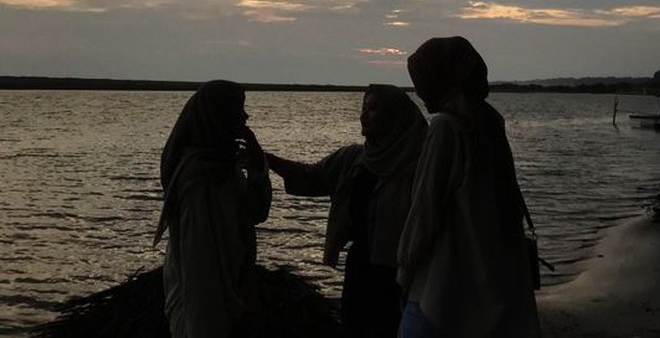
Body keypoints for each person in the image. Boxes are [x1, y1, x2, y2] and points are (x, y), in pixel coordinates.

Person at [397, 37, 541, 338]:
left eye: (423, 79)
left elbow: (424, 212)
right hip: (492, 286)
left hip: (441, 289)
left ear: (442, 78)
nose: (419, 90)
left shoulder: (445, 128)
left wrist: (404, 270)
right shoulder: (490, 123)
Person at [266, 84, 427, 338]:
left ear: (395, 116)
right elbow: (309, 177)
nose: (364, 115)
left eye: (373, 108)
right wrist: (266, 159)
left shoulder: (419, 165)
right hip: (361, 266)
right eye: (363, 107)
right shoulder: (353, 159)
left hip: (402, 274)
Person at [153, 80, 272, 338]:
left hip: (227, 292)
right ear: (219, 115)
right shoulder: (199, 177)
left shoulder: (224, 166)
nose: (245, 116)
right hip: (203, 310)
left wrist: (257, 164)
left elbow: (257, 213)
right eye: (238, 110)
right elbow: (199, 265)